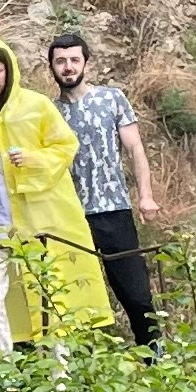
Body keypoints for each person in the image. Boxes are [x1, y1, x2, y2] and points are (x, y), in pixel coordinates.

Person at [0, 24, 112, 353]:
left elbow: (65, 147)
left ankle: (58, 373)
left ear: (9, 69)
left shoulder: (36, 106)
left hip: (39, 222)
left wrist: (33, 160)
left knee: (50, 295)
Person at [47, 29, 159, 347]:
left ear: (86, 63)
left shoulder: (112, 99)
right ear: (51, 67)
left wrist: (146, 196)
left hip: (113, 209)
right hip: (69, 215)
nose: (68, 67)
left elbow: (135, 148)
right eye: (60, 61)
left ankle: (154, 354)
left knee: (135, 293)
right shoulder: (49, 112)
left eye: (74, 60)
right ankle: (82, 363)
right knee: (73, 295)